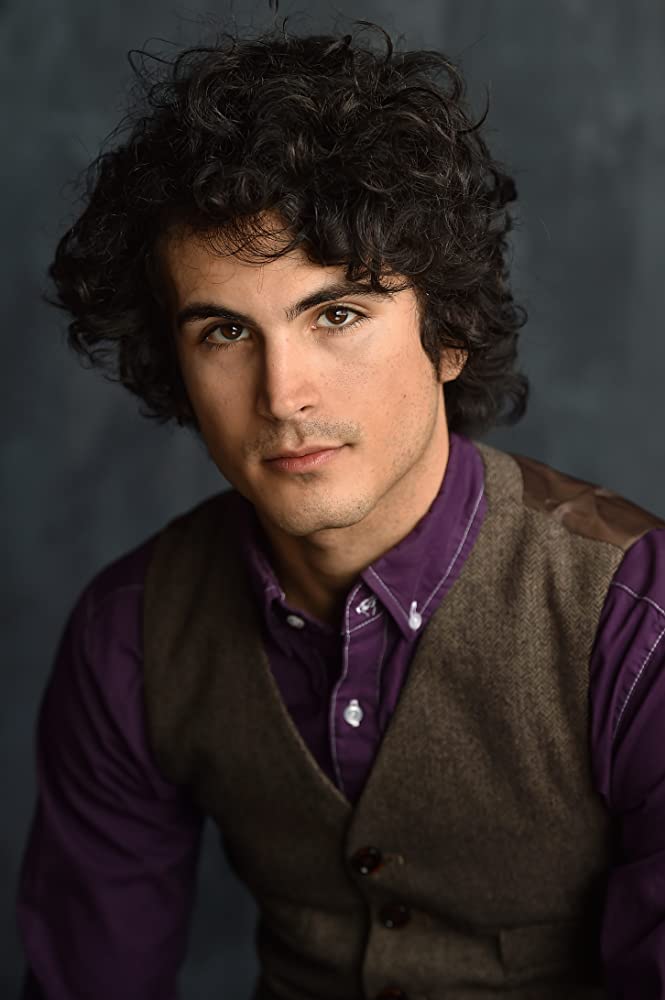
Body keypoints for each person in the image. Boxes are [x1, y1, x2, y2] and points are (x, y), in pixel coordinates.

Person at [15, 18, 665, 1000]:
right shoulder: (130, 635)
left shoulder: (635, 624)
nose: (283, 395)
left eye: (337, 314)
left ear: (448, 334)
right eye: (225, 332)